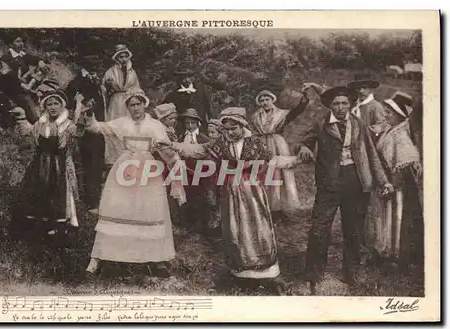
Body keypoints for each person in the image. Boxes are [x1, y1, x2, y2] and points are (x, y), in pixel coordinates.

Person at [165, 107, 301, 294]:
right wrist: (174, 146)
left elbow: (273, 160)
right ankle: (241, 272)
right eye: (226, 129)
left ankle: (266, 271)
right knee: (235, 228)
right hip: (230, 190)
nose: (229, 132)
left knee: (256, 226)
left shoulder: (254, 142)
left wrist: (295, 160)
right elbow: (199, 150)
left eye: (233, 128)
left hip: (252, 191)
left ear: (242, 125)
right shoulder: (221, 143)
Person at [295, 86, 394, 292]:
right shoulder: (321, 123)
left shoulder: (358, 124)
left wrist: (383, 181)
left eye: (344, 103)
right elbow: (304, 140)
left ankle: (352, 271)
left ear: (351, 105)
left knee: (354, 229)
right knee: (320, 228)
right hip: (329, 182)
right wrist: (304, 147)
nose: (340, 108)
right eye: (336, 104)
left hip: (355, 181)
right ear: (330, 106)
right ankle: (313, 273)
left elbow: (372, 155)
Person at [82, 89, 181, 278]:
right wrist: (89, 115)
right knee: (119, 209)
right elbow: (98, 128)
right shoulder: (121, 123)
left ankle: (155, 259)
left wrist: (175, 162)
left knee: (149, 210)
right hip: (125, 168)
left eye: (139, 104)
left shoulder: (155, 125)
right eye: (132, 105)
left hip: (148, 169)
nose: (136, 108)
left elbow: (167, 149)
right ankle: (103, 257)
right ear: (127, 107)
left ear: (145, 104)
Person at [9, 89, 80, 243]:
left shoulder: (68, 125)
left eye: (56, 104)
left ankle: (57, 229)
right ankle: (34, 227)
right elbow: (27, 132)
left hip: (59, 165)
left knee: (57, 194)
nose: (53, 107)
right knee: (35, 191)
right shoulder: (41, 124)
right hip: (39, 164)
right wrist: (21, 118)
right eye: (49, 104)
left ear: (62, 106)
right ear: (45, 106)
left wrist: (82, 112)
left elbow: (79, 133)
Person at [364, 92, 423, 269]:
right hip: (386, 181)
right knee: (383, 217)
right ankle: (384, 252)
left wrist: (392, 185)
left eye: (389, 111)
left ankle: (395, 255)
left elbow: (405, 164)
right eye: (386, 110)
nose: (386, 114)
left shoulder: (401, 136)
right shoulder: (390, 129)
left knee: (396, 217)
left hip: (398, 186)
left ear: (399, 115)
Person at [249, 84, 316, 217]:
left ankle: (281, 207)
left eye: (267, 99)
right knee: (265, 173)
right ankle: (267, 206)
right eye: (262, 100)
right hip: (262, 145)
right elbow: (253, 132)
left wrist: (304, 99)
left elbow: (296, 112)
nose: (264, 103)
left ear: (272, 100)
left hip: (278, 144)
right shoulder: (256, 116)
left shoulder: (281, 113)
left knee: (281, 173)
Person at [65, 55, 106, 212]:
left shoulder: (96, 81)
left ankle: (94, 198)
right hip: (85, 128)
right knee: (90, 163)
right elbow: (68, 102)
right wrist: (81, 104)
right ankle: (91, 201)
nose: (96, 68)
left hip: (99, 126)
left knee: (96, 163)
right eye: (93, 65)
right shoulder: (77, 82)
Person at [178, 108, 210, 232]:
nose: (190, 126)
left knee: (200, 194)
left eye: (192, 123)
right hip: (186, 168)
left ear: (198, 123)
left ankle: (201, 223)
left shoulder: (203, 137)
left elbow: (208, 153)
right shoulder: (182, 137)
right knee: (187, 193)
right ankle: (188, 222)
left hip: (200, 169)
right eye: (187, 123)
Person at [163, 68, 214, 136]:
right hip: (182, 128)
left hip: (201, 126)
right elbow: (164, 110)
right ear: (179, 79)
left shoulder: (202, 90)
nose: (187, 79)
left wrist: (212, 122)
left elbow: (209, 107)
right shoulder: (173, 94)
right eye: (184, 77)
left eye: (190, 76)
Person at [347, 73, 389, 139]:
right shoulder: (354, 106)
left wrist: (367, 130)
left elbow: (382, 125)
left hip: (368, 141)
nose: (361, 91)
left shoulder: (375, 106)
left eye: (364, 88)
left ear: (370, 89)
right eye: (358, 88)